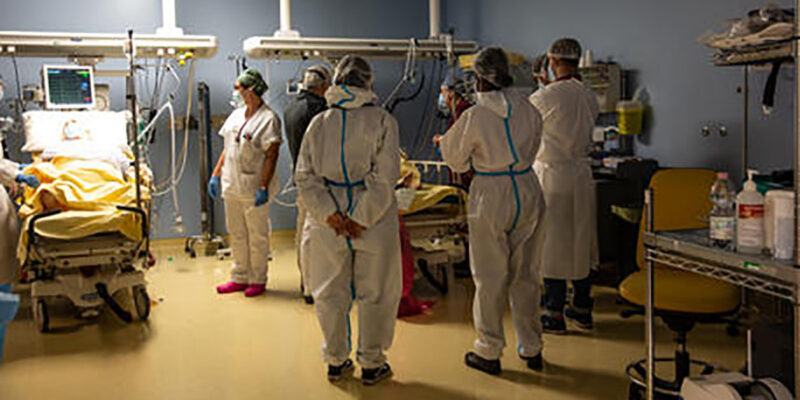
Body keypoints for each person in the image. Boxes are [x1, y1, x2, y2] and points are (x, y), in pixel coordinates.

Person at [434, 47, 545, 375]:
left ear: (479, 78)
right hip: (527, 187)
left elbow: (455, 160)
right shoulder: (529, 108)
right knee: (526, 274)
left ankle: (489, 350)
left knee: (489, 275)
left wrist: (455, 148)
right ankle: (532, 347)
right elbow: (534, 146)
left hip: (491, 194)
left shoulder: (475, 116)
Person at [295, 55, 401, 385]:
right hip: (374, 221)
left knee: (329, 291)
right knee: (377, 291)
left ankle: (336, 360)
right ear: (368, 82)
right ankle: (372, 363)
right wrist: (361, 218)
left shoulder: (319, 123)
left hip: (328, 221)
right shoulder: (382, 120)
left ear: (338, 80)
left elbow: (304, 176)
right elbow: (385, 176)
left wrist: (331, 215)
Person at [529, 38, 600, 334]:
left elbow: (527, 128)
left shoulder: (544, 96)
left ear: (553, 61)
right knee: (582, 243)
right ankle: (582, 308)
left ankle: (554, 313)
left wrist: (543, 89)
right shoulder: (588, 94)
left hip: (553, 177)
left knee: (553, 245)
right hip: (581, 177)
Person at [209, 68, 282, 298]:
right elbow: (227, 148)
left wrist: (263, 186)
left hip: (253, 187)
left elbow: (272, 155)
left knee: (257, 236)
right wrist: (215, 175)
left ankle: (258, 279)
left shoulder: (269, 119)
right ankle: (239, 276)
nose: (236, 93)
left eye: (239, 88)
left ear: (252, 90)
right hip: (231, 184)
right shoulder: (236, 116)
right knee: (237, 234)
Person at [284, 64, 331, 304]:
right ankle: (313, 288)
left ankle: (307, 282)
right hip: (318, 181)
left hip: (301, 179)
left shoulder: (291, 107)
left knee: (302, 231)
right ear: (323, 86)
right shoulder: (319, 110)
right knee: (314, 236)